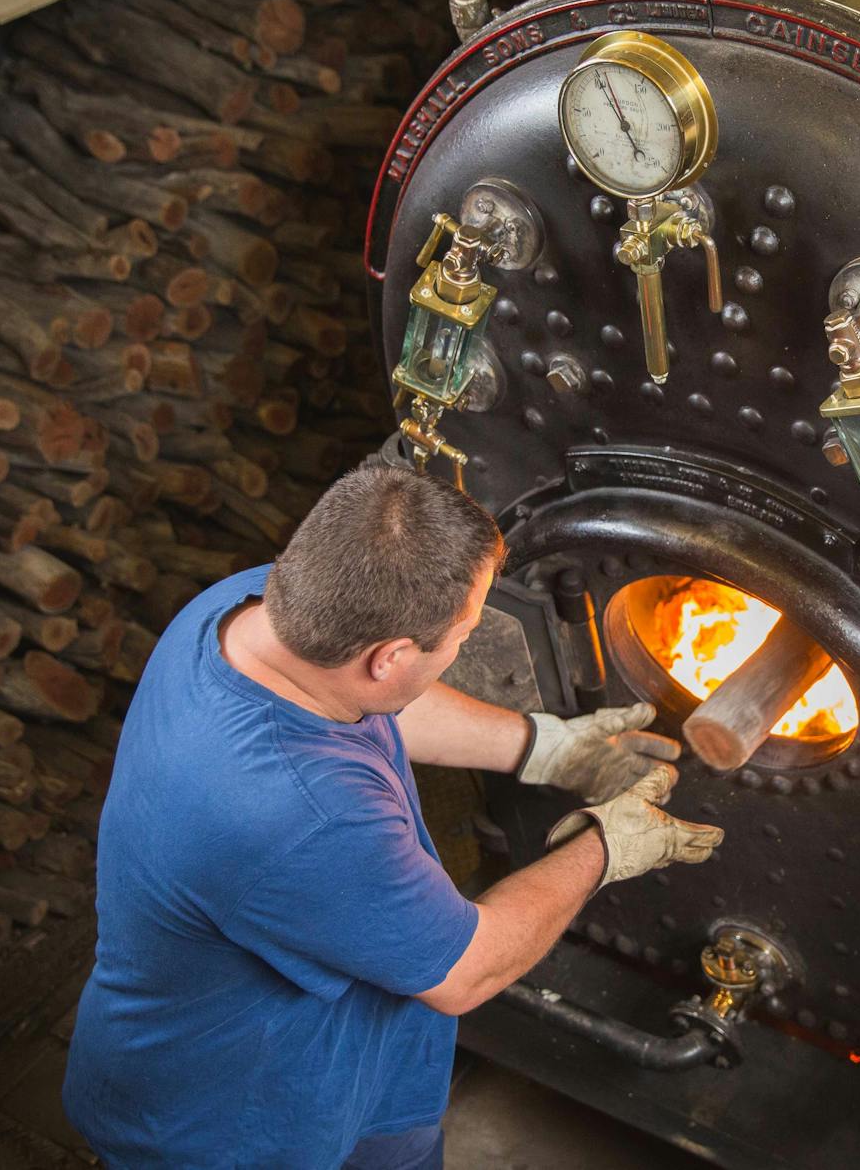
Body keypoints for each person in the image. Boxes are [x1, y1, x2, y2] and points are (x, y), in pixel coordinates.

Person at [62, 465, 723, 1169]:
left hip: (343, 1065)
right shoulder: (302, 815)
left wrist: (544, 748)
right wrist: (607, 844)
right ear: (392, 656)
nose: (463, 645)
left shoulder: (253, 611)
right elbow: (467, 968)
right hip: (236, 1121)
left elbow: (377, 705)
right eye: (462, 637)